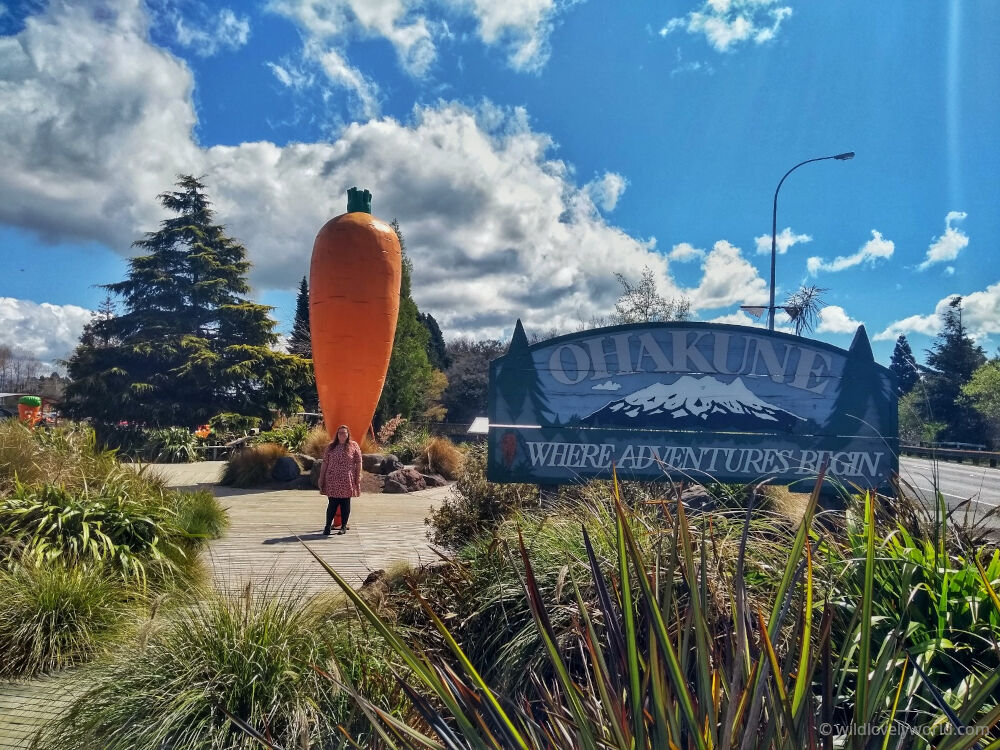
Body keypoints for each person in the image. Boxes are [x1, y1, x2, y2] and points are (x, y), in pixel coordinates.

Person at [319, 424, 362, 535]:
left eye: (344, 433)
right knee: (332, 503)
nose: (342, 435)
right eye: (340, 433)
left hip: (347, 480)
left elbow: (358, 461)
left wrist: (358, 475)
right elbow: (325, 462)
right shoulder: (331, 446)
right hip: (332, 479)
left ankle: (343, 526)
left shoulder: (353, 446)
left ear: (348, 434)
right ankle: (327, 526)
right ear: (337, 434)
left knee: (345, 504)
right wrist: (321, 477)